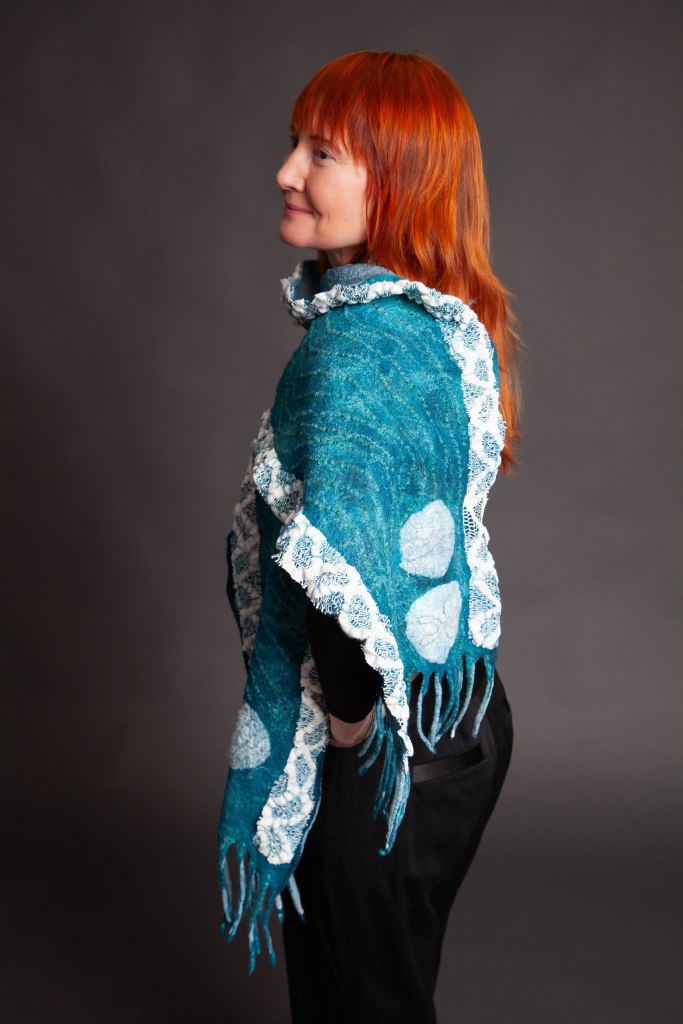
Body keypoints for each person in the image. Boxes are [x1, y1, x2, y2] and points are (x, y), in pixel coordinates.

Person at [218, 50, 521, 1023]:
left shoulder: (356, 345)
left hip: (390, 738)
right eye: (293, 144)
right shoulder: (426, 322)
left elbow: (338, 562)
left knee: (356, 1001)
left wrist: (347, 730)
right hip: (456, 718)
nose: (285, 171)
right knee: (380, 989)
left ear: (395, 182)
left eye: (320, 153)